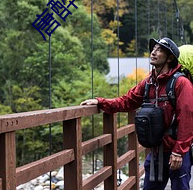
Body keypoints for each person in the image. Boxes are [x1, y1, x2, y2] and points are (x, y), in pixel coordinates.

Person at [80, 37, 193, 190]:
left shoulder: (181, 83)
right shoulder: (148, 83)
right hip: (156, 151)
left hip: (176, 151)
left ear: (170, 58)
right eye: (153, 49)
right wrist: (100, 102)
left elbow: (187, 118)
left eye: (159, 50)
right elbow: (127, 101)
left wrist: (179, 152)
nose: (153, 52)